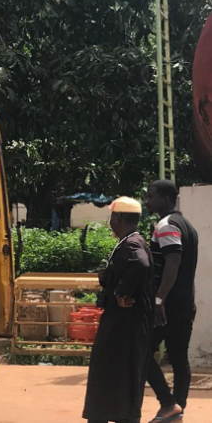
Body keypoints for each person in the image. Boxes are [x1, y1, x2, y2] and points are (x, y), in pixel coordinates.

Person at [82, 197, 154, 423]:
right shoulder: (129, 241)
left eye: (112, 218)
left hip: (126, 324)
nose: (110, 222)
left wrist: (122, 292)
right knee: (112, 373)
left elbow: (141, 264)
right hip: (121, 323)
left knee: (121, 374)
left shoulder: (133, 243)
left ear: (120, 218)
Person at [145, 180, 199, 423]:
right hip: (186, 304)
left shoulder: (166, 225)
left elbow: (172, 263)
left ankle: (168, 403)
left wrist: (159, 299)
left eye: (151, 196)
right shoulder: (188, 226)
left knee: (142, 353)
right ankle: (177, 410)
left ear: (165, 199)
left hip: (168, 306)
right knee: (179, 357)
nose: (148, 201)